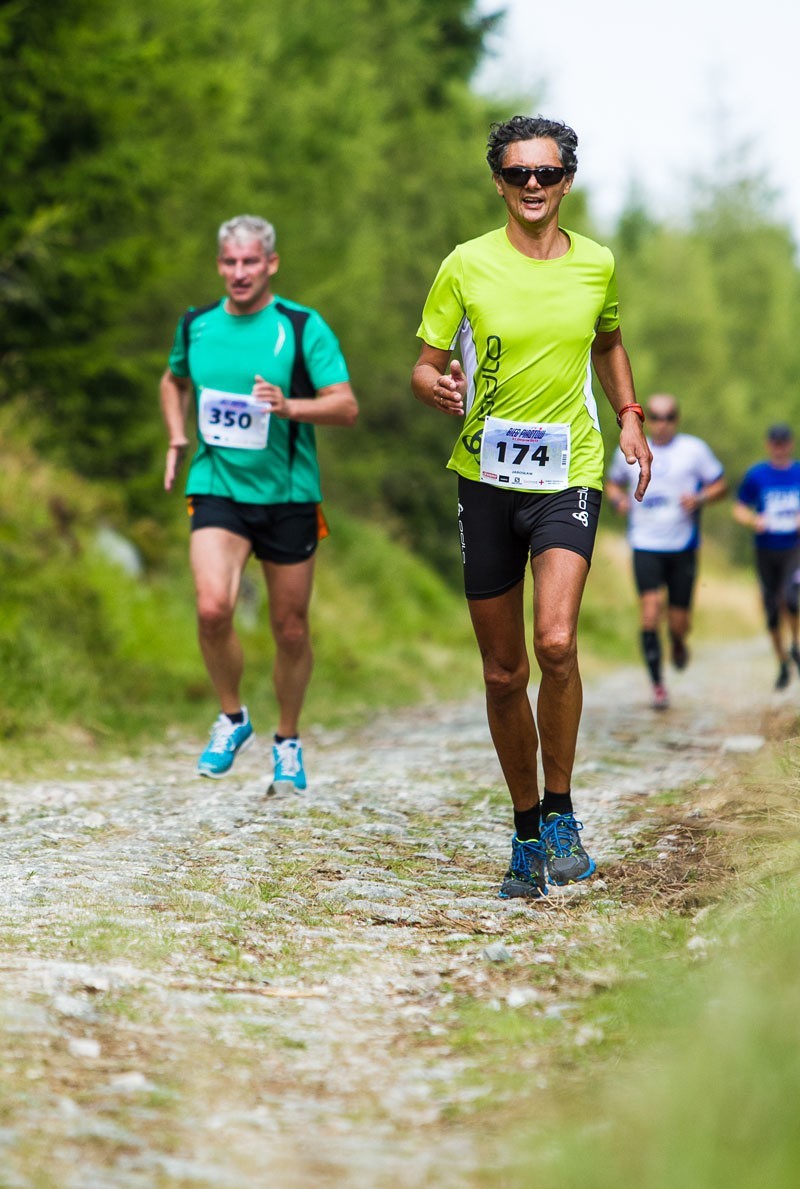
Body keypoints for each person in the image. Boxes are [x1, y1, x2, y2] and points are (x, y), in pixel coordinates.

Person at [411, 115, 651, 900]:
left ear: (568, 180)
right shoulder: (465, 265)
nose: (534, 187)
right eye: (518, 175)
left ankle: (561, 811)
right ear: (499, 183)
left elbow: (608, 343)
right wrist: (438, 385)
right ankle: (522, 832)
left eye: (546, 173)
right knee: (503, 670)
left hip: (569, 472)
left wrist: (630, 419)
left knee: (554, 641)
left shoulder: (597, 265)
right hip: (484, 477)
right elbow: (426, 364)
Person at [160, 214, 358, 789]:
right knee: (212, 608)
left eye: (250, 261)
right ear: (219, 265)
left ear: (271, 263)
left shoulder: (300, 326)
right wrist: (176, 432)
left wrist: (291, 406)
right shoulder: (196, 324)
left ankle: (288, 739)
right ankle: (231, 717)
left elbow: (345, 406)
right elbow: (173, 380)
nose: (239, 272)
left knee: (290, 628)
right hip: (217, 485)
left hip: (288, 494)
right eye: (229, 262)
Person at [605, 393, 727, 709]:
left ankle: (677, 641)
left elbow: (720, 484)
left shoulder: (693, 450)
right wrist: (617, 499)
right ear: (647, 420)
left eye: (668, 417)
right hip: (645, 544)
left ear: (677, 419)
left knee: (677, 622)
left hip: (682, 546)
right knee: (650, 609)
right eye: (655, 417)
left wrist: (700, 499)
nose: (662, 423)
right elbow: (612, 483)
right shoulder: (632, 447)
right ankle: (658, 684)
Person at [733, 423, 800, 689]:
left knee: (792, 596)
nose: (780, 447)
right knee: (772, 609)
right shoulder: (757, 475)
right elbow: (739, 508)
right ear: (768, 444)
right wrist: (753, 519)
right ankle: (782, 660)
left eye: (784, 442)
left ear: (790, 444)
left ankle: (795, 644)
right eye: (775, 442)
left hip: (794, 547)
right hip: (766, 548)